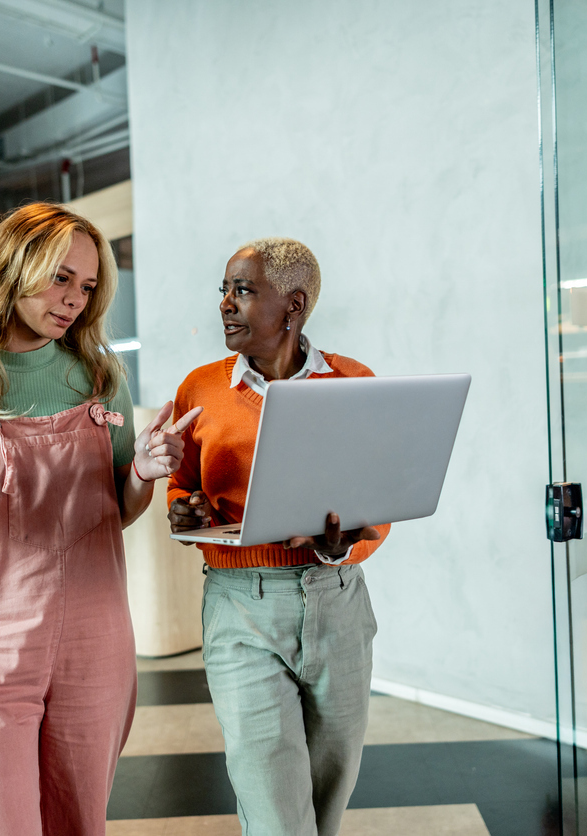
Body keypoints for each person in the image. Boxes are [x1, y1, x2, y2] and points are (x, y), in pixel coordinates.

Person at [0, 202, 199, 836]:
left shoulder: (100, 380)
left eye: (87, 288)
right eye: (61, 278)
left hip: (96, 641)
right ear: (12, 268)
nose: (74, 301)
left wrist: (141, 472)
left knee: (79, 823)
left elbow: (118, 512)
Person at [167, 237, 390, 836]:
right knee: (271, 799)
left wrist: (342, 545)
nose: (225, 304)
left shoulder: (355, 382)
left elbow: (382, 505)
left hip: (337, 598)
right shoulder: (200, 389)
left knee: (328, 791)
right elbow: (180, 487)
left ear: (293, 306)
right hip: (240, 603)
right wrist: (183, 512)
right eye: (224, 290)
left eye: (243, 290)